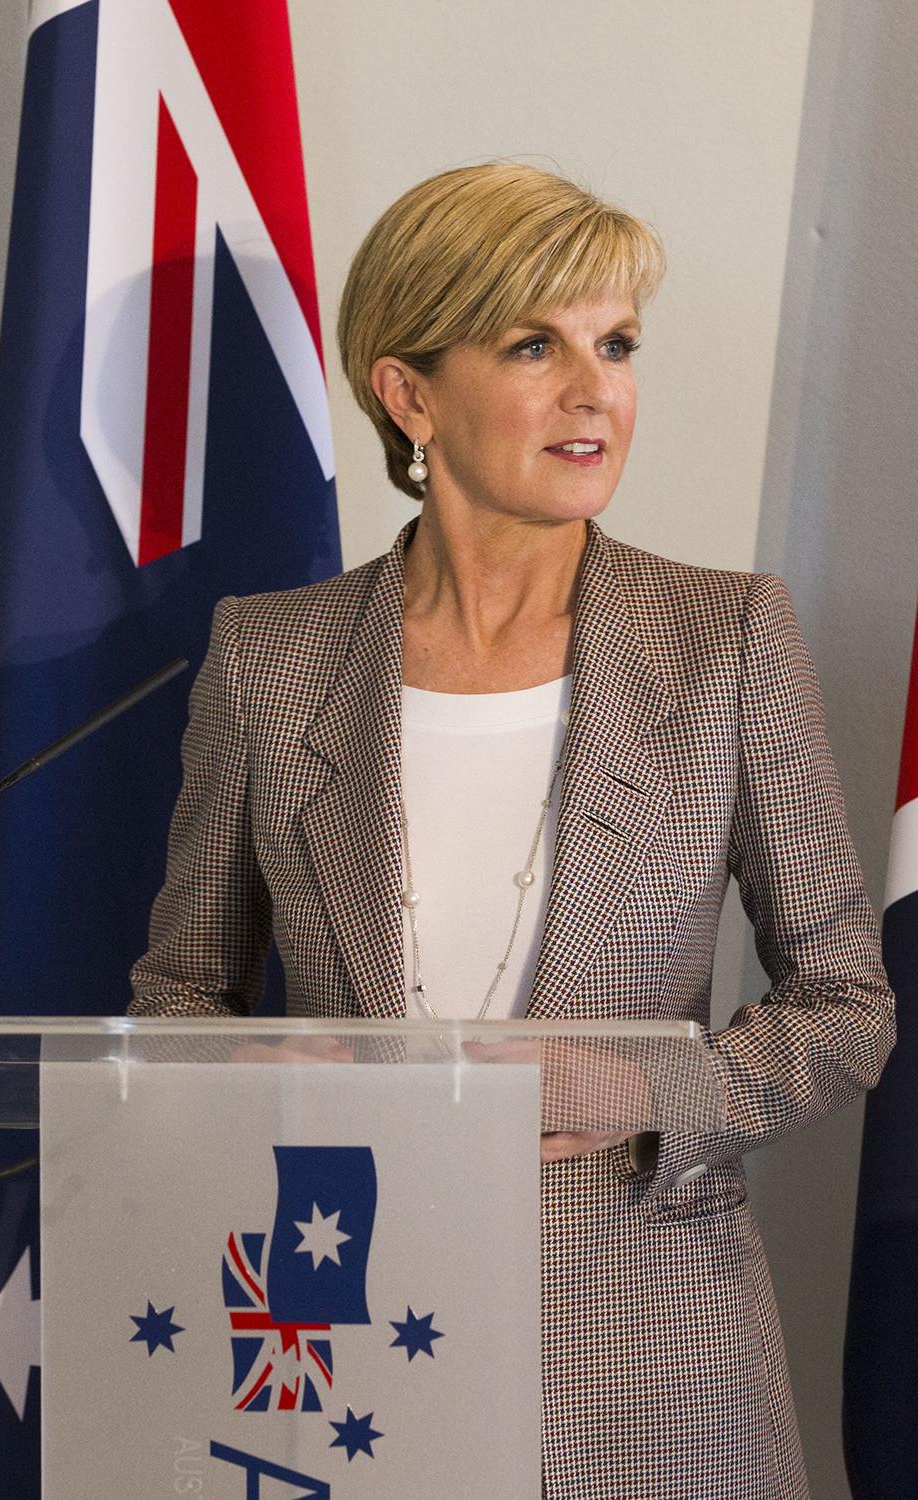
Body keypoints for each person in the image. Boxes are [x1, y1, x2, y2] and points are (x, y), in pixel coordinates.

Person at [129, 162, 895, 1498]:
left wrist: (655, 1090)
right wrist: (269, 1085)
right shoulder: (268, 658)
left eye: (617, 345)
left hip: (646, 1358)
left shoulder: (728, 639)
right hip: (331, 1330)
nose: (595, 388)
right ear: (410, 393)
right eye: (535, 345)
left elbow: (848, 1001)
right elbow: (183, 989)